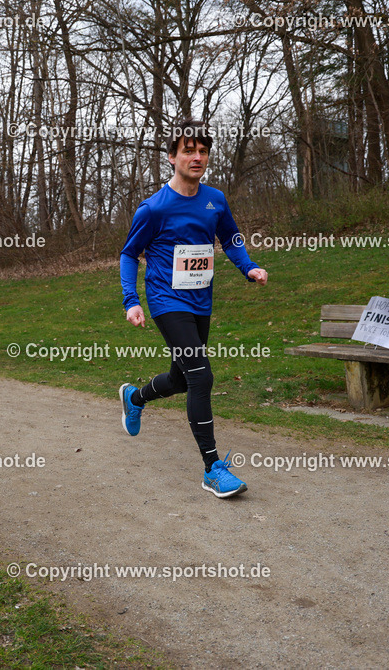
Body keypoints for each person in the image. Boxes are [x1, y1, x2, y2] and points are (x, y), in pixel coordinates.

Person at [118, 118, 268, 499]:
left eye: (203, 151)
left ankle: (135, 398)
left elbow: (230, 237)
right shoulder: (153, 209)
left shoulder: (214, 199)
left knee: (183, 379)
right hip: (167, 302)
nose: (197, 157)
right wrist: (131, 300)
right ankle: (213, 469)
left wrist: (247, 265)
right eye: (189, 150)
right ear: (172, 157)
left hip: (201, 301)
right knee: (201, 377)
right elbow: (128, 254)